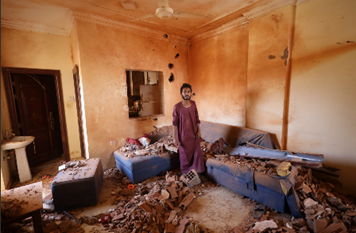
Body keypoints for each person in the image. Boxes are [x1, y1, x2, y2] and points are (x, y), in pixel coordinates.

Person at [172, 83, 205, 174]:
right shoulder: (177, 107)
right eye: (184, 91)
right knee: (184, 157)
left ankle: (197, 174)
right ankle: (187, 175)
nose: (187, 93)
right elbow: (175, 124)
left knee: (197, 156)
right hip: (183, 137)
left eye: (189, 91)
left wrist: (199, 133)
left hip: (194, 136)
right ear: (181, 93)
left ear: (191, 93)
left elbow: (197, 119)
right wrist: (176, 138)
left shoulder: (194, 104)